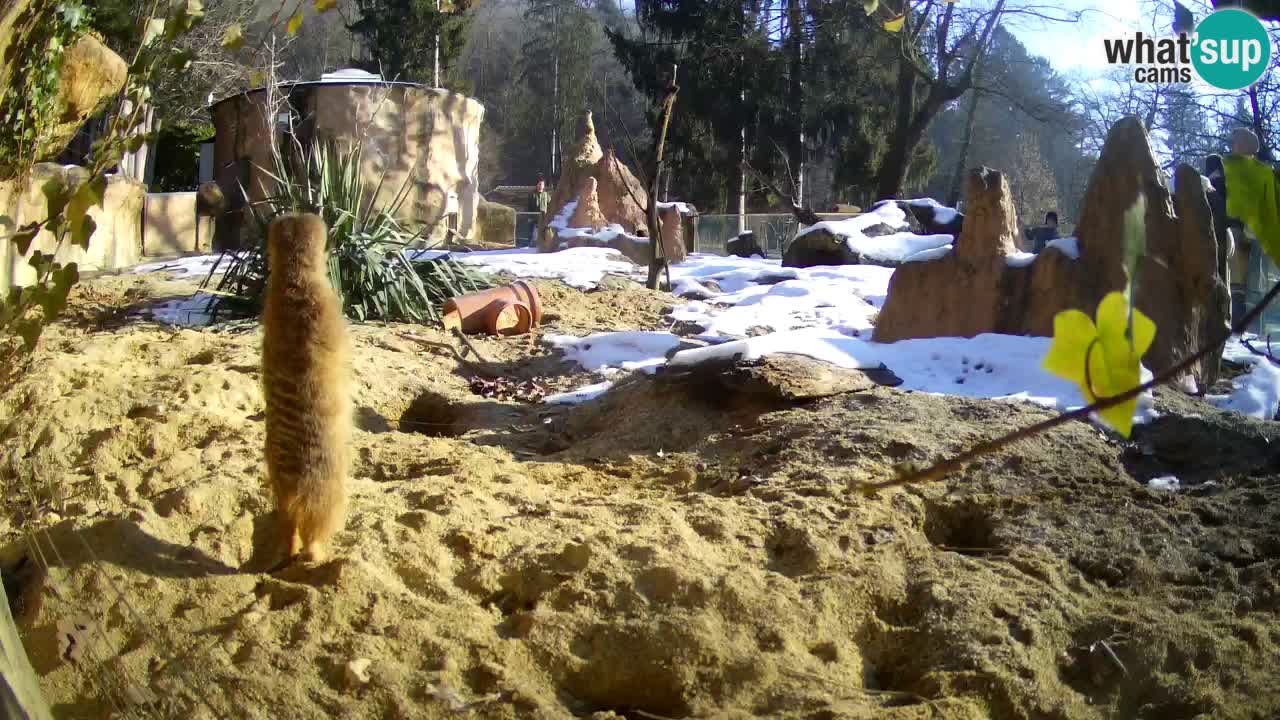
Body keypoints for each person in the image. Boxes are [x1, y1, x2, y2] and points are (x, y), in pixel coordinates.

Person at [523, 175, 550, 248]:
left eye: (542, 184)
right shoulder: (532, 194)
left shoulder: (546, 194)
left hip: (543, 218)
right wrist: (530, 217)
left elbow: (549, 204)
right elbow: (529, 206)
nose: (541, 186)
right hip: (534, 218)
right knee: (532, 233)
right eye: (539, 184)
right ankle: (529, 245)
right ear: (536, 184)